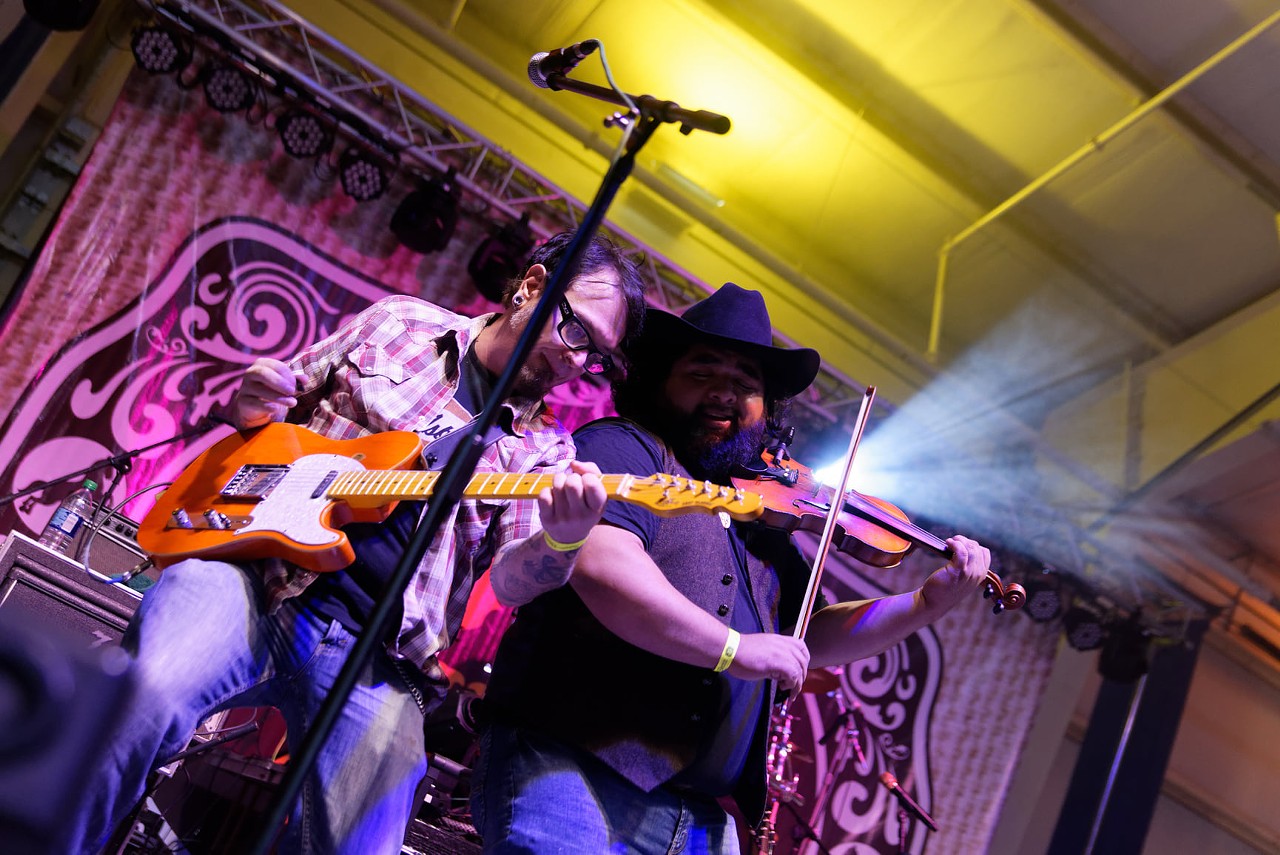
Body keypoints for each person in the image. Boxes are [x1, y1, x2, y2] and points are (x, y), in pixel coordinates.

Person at [66, 230, 647, 854]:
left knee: (366, 846)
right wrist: (252, 399)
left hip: (381, 658)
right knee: (140, 700)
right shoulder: (400, 323)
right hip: (254, 582)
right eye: (577, 332)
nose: (576, 362)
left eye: (597, 357)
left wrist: (562, 541)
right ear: (532, 286)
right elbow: (274, 413)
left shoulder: (546, 451)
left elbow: (509, 580)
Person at [473, 283, 993, 853]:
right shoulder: (625, 449)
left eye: (746, 384)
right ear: (660, 381)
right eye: (703, 373)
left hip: (701, 816)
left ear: (766, 411)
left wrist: (925, 604)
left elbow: (807, 640)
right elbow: (604, 567)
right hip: (570, 767)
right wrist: (735, 649)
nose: (725, 392)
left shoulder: (760, 514)